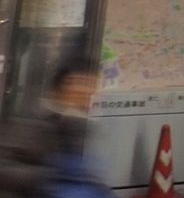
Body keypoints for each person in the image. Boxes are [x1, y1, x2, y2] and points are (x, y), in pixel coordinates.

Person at [0, 57, 115, 196]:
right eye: (83, 84)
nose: (88, 92)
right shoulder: (32, 120)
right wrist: (52, 176)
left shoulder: (82, 125)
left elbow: (90, 177)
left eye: (93, 85)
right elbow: (5, 168)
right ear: (64, 85)